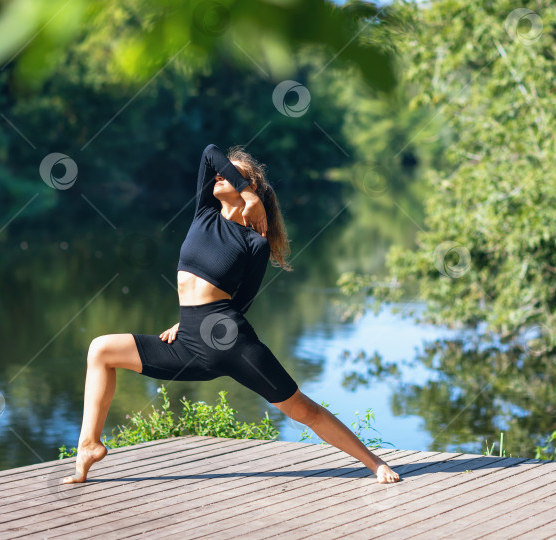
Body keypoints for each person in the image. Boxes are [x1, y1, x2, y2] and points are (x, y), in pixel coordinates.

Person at [63, 144, 401, 484]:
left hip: (231, 340)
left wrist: (250, 200)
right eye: (223, 173)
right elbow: (209, 152)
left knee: (303, 409)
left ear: (251, 185)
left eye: (233, 173)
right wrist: (186, 320)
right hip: (187, 344)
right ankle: (89, 445)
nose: (220, 174)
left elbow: (243, 301)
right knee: (101, 349)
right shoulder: (204, 212)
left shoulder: (256, 243)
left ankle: (374, 463)